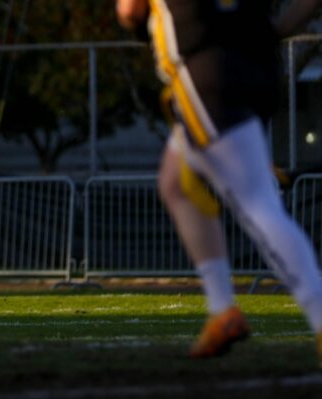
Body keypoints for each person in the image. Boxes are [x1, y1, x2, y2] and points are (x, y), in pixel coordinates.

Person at [116, 0, 322, 359]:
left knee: (257, 203)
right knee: (175, 182)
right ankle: (222, 310)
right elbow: (285, 17)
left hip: (203, 73)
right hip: (256, 68)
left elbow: (130, 10)